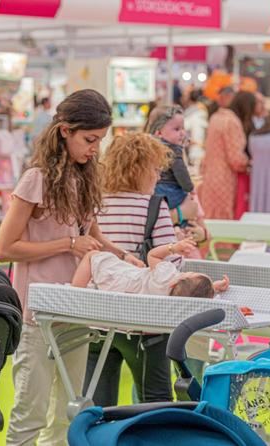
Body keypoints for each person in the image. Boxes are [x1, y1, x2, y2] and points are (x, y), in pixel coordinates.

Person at [0, 89, 143, 446]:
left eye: (100, 141)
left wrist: (123, 257)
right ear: (65, 131)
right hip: (38, 314)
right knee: (29, 411)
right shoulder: (36, 179)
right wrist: (67, 245)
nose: (95, 148)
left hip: (74, 309)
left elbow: (91, 234)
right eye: (89, 139)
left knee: (70, 411)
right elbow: (4, 248)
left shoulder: (84, 177)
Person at [88, 132, 177, 408]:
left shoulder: (95, 204)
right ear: (138, 168)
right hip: (144, 323)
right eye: (154, 169)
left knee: (98, 405)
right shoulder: (153, 207)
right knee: (156, 403)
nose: (157, 176)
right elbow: (169, 269)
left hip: (95, 317)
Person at [71, 238, 229, 297]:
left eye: (188, 273)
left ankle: (74, 293)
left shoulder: (166, 278)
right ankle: (81, 290)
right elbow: (194, 296)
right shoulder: (173, 298)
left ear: (175, 283)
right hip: (123, 291)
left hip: (124, 279)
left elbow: (152, 255)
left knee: (92, 256)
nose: (185, 272)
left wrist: (173, 248)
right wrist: (212, 288)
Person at [199, 91, 252, 220]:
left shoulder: (216, 117)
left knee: (210, 220)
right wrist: (249, 163)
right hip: (225, 179)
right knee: (225, 221)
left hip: (209, 176)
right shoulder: (232, 122)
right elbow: (236, 159)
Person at [146, 105, 194, 214]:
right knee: (189, 199)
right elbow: (181, 173)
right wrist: (190, 188)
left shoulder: (148, 146)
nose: (182, 133)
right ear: (159, 133)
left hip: (153, 192)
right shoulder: (172, 150)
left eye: (183, 128)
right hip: (169, 191)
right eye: (177, 129)